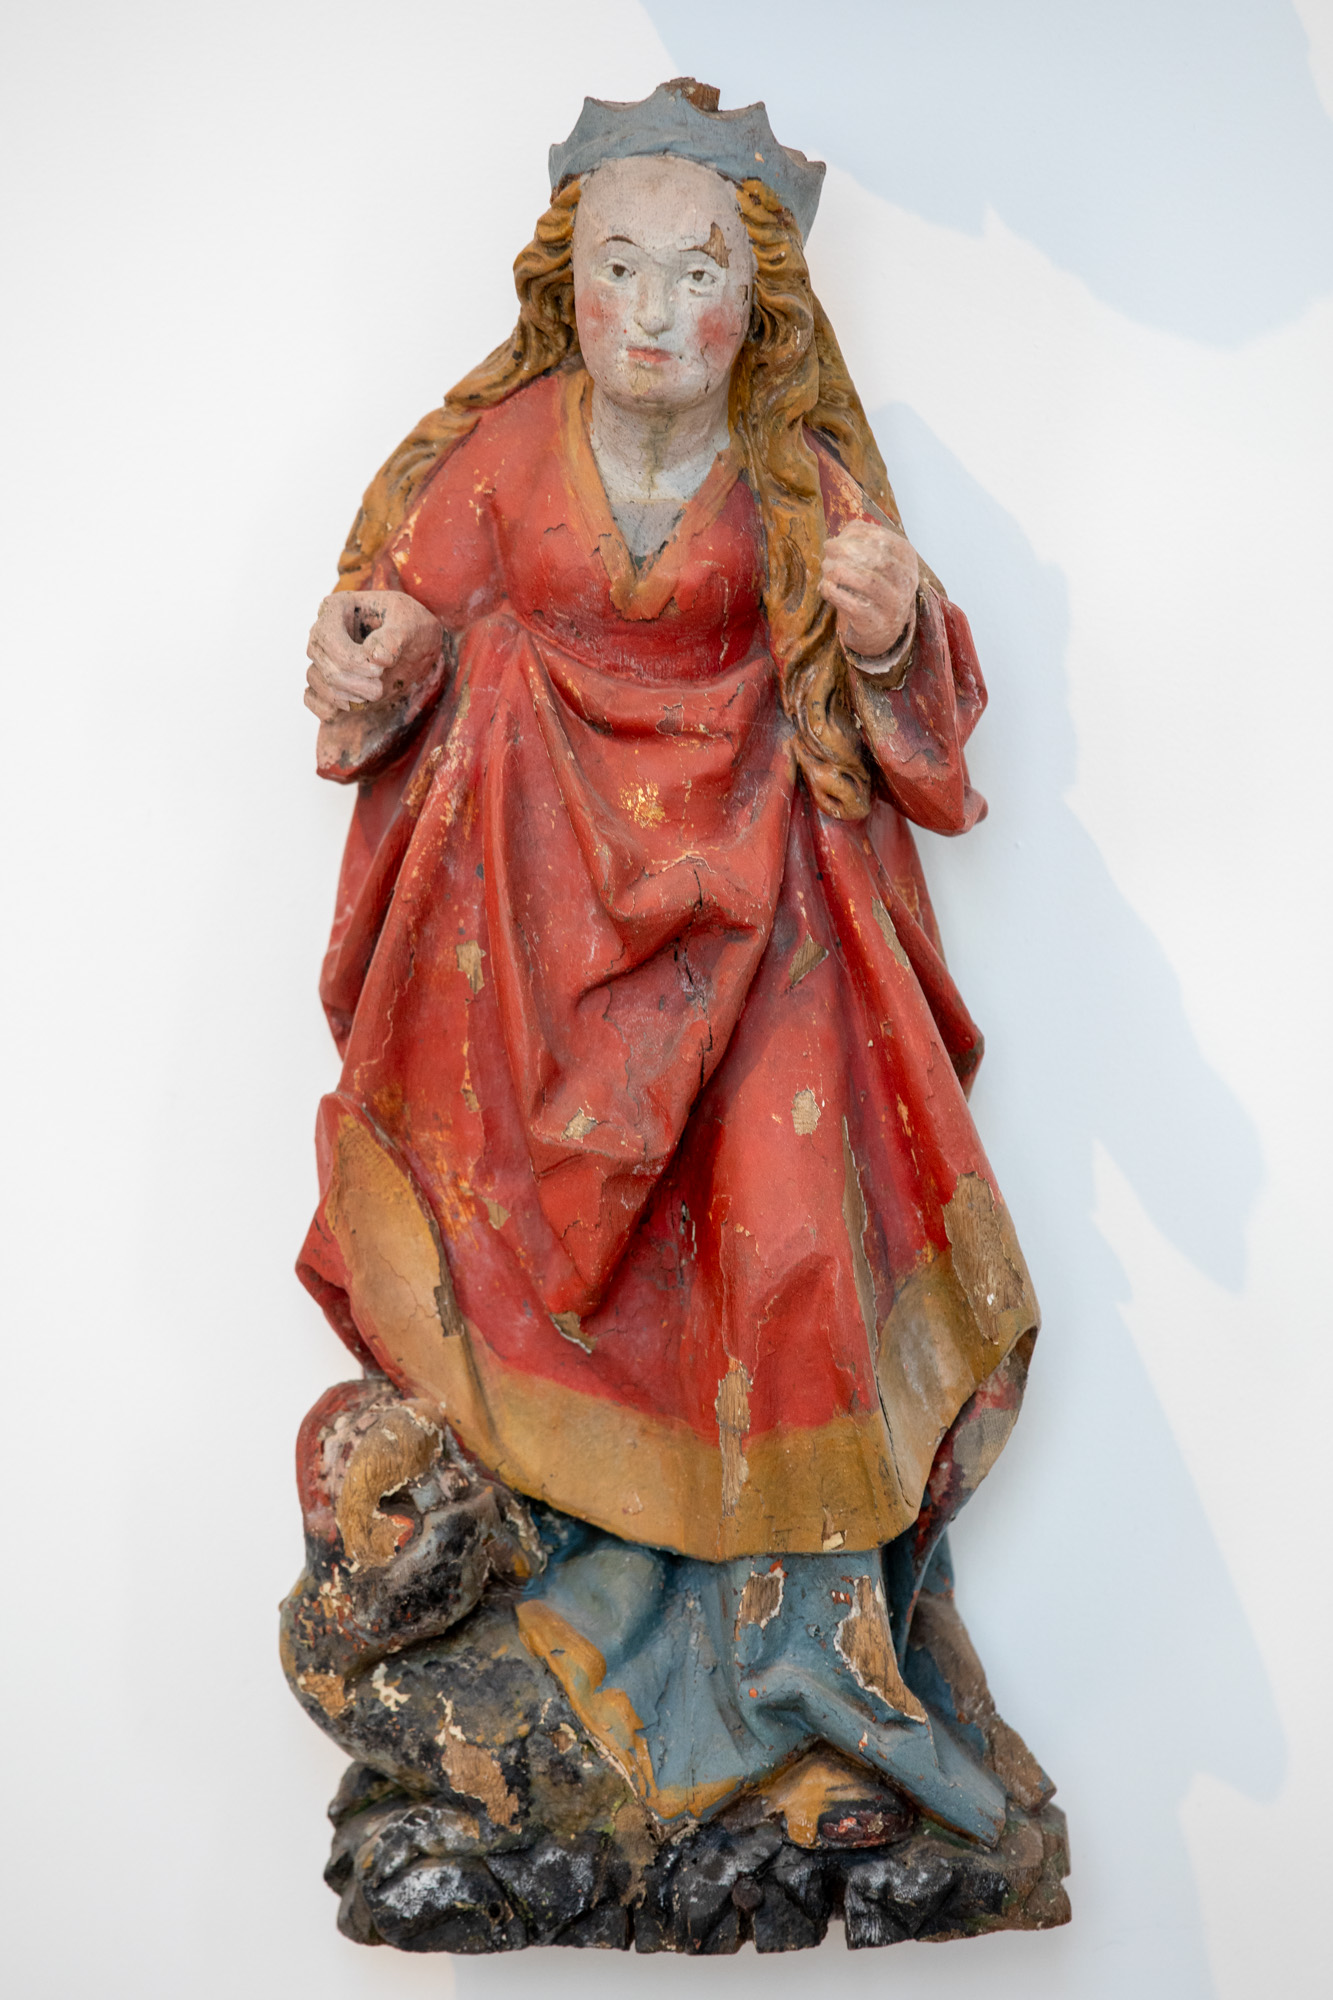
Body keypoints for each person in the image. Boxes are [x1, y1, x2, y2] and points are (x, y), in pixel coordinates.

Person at [297, 80, 1044, 1843]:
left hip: (764, 925)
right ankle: (570, 1614)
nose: (650, 311)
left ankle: (814, 1672)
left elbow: (924, 730)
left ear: (756, 304)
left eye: (695, 274)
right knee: (527, 1269)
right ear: (564, 286)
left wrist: (887, 636)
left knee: (793, 1257)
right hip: (526, 945)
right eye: (618, 269)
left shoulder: (794, 485)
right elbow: (386, 636)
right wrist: (372, 654)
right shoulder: (498, 462)